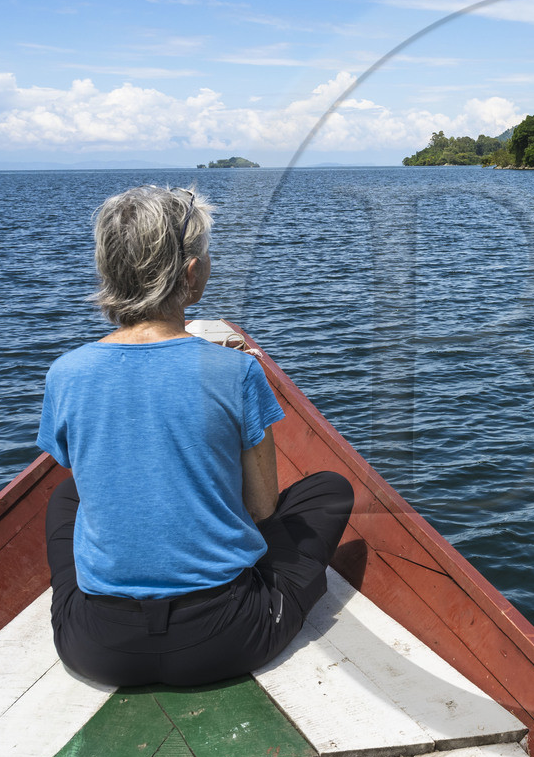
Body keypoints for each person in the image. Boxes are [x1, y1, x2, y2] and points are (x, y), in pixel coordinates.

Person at [38, 184, 353, 686]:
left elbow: (93, 475)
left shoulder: (66, 374)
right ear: (191, 274)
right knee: (330, 490)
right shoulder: (237, 372)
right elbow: (261, 508)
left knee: (65, 497)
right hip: (226, 639)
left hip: (97, 649)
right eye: (207, 255)